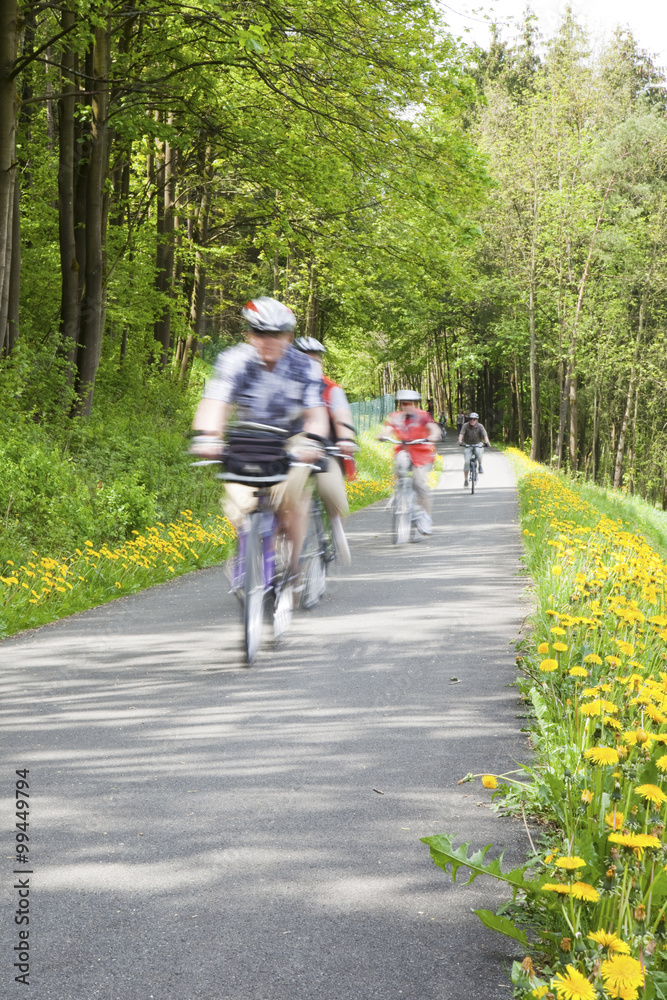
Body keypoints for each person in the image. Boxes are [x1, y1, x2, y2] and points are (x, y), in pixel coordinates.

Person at [190, 297, 329, 636]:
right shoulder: (234, 360)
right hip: (246, 439)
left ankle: (292, 571)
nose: (268, 339)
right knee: (241, 505)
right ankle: (249, 554)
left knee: (292, 498)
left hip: (289, 438)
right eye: (259, 332)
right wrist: (208, 436)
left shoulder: (305, 366)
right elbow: (215, 403)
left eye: (277, 333)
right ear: (249, 333)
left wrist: (312, 442)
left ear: (289, 336)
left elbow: (315, 414)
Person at [294, 336, 356, 564]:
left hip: (325, 450)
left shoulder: (332, 389)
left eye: (315, 359)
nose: (311, 363)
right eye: (304, 359)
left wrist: (345, 439)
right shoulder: (284, 383)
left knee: (331, 491)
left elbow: (342, 419)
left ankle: (336, 527)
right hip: (289, 451)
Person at [379, 390, 440, 535]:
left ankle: (425, 517)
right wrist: (383, 435)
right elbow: (387, 428)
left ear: (415, 404)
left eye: (409, 403)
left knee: (420, 484)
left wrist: (434, 435)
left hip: (422, 453)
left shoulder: (423, 416)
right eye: (403, 403)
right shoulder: (395, 417)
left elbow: (434, 428)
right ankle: (400, 492)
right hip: (404, 450)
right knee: (400, 465)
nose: (406, 406)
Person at [458, 411, 490, 487]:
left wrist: (486, 442)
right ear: (468, 419)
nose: (472, 421)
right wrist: (460, 440)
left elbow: (485, 435)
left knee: (479, 452)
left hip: (478, 443)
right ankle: (466, 479)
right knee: (466, 461)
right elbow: (461, 434)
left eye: (474, 419)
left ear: (477, 420)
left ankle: (480, 465)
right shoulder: (465, 426)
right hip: (468, 444)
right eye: (471, 419)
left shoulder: (480, 426)